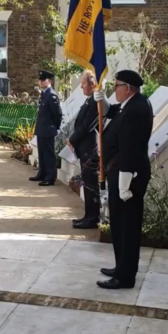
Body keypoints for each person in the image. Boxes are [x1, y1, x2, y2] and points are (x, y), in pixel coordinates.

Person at [94, 70, 153, 289]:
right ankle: (121, 267)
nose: (114, 90)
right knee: (119, 225)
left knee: (127, 227)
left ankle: (125, 276)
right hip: (121, 173)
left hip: (128, 176)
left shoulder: (136, 109)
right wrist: (102, 102)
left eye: (116, 86)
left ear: (127, 88)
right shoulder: (131, 104)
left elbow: (130, 147)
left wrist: (125, 182)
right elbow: (114, 113)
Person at [68, 70, 109, 230]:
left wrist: (72, 139)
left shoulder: (95, 102)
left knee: (91, 184)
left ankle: (93, 218)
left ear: (93, 85)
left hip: (91, 149)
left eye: (83, 83)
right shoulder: (90, 100)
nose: (81, 86)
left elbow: (87, 126)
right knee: (87, 183)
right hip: (84, 148)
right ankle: (88, 215)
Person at [29, 70, 62, 187]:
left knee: (49, 154)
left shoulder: (51, 95)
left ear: (49, 81)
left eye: (43, 80)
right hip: (42, 129)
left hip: (48, 129)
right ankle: (42, 173)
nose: (40, 82)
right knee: (42, 153)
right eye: (40, 80)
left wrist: (55, 127)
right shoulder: (44, 94)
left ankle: (50, 177)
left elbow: (57, 114)